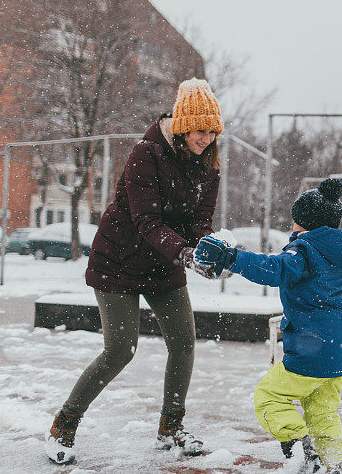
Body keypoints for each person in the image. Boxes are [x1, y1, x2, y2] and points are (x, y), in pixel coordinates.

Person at [45, 78, 224, 465]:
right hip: (118, 262)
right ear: (181, 124)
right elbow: (146, 220)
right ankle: (65, 424)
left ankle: (170, 428)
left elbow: (200, 221)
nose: (206, 137)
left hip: (164, 265)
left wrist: (209, 250)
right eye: (200, 129)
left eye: (213, 130)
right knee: (120, 351)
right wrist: (185, 253)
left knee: (184, 342)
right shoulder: (147, 153)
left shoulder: (209, 165)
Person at [194, 178, 342, 472]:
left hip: (309, 349)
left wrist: (231, 257)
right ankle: (335, 463)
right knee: (323, 412)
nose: (292, 228)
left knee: (268, 398)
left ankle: (303, 454)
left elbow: (274, 268)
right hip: (338, 353)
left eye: (295, 223)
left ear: (305, 225)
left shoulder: (304, 251)